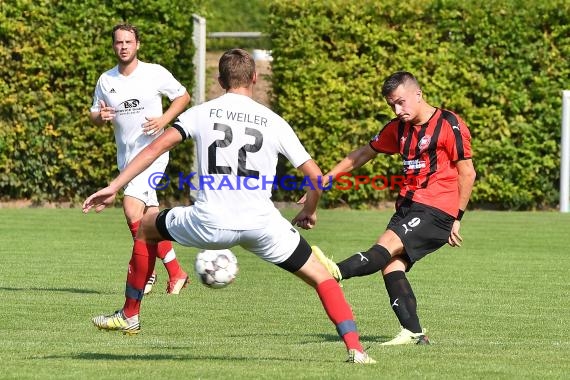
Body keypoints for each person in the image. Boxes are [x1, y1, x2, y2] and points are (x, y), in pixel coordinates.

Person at [83, 48, 375, 364]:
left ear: (220, 80)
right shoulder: (273, 121)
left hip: (209, 221)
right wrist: (309, 210)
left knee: (147, 226)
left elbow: (154, 149)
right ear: (254, 78)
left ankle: (130, 313)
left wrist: (114, 187)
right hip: (262, 224)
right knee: (322, 277)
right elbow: (316, 178)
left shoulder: (200, 113)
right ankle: (356, 350)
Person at [312, 71, 476, 345]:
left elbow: (467, 173)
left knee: (383, 248)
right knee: (390, 265)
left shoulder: (449, 123)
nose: (398, 110)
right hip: (409, 207)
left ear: (418, 94)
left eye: (401, 102)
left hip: (436, 209)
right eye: (392, 105)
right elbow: (364, 153)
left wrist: (457, 217)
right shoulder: (398, 128)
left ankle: (333, 272)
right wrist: (328, 177)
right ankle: (414, 332)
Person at [89, 23, 191, 295]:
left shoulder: (154, 73)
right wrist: (101, 117)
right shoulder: (106, 80)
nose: (123, 47)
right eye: (119, 43)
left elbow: (183, 96)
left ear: (137, 45)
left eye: (128, 42)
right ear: (114, 46)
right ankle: (176, 273)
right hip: (127, 159)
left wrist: (164, 120)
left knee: (131, 208)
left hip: (154, 154)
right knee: (149, 219)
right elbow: (93, 114)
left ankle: (144, 272)